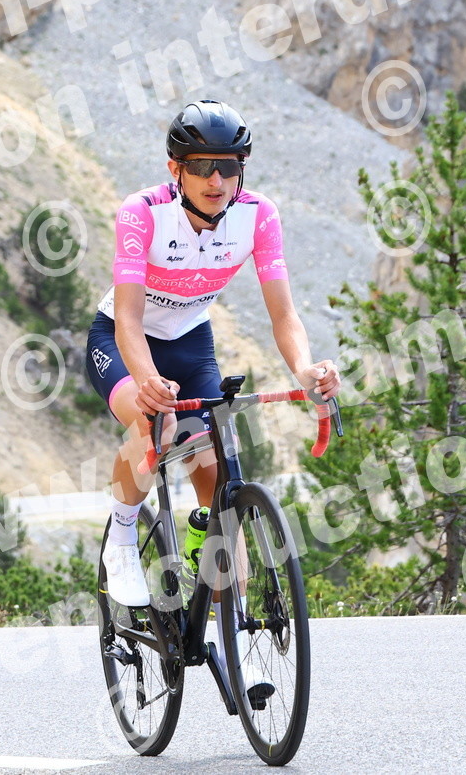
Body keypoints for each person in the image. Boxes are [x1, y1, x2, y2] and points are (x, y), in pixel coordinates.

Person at [84, 99, 341, 610]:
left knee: (220, 476)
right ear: (175, 169)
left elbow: (284, 315)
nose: (216, 179)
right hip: (121, 338)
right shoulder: (142, 213)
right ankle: (122, 538)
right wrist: (148, 379)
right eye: (202, 166)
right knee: (154, 423)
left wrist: (305, 369)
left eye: (229, 166)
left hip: (192, 343)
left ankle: (228, 623)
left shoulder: (258, 216)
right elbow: (129, 319)